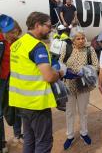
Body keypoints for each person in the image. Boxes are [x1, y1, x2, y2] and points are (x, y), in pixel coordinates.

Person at [9, 12, 65, 153]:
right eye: (48, 26)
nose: (50, 29)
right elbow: (48, 76)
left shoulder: (17, 44)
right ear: (37, 25)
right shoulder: (37, 46)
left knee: (29, 139)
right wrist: (59, 73)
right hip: (37, 103)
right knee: (44, 142)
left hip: (21, 101)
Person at [59, 30, 98, 150]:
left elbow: (96, 65)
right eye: (78, 38)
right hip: (69, 85)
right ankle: (70, 136)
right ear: (73, 40)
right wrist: (65, 72)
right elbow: (59, 63)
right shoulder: (67, 48)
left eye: (83, 38)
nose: (81, 40)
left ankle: (84, 133)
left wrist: (85, 70)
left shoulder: (89, 50)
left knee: (83, 111)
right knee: (69, 112)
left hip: (84, 86)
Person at [0, 14, 22, 152]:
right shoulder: (2, 42)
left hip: (13, 79)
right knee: (0, 111)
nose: (14, 35)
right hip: (2, 80)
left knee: (16, 106)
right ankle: (2, 141)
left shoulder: (16, 42)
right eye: (12, 32)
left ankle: (17, 133)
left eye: (16, 32)